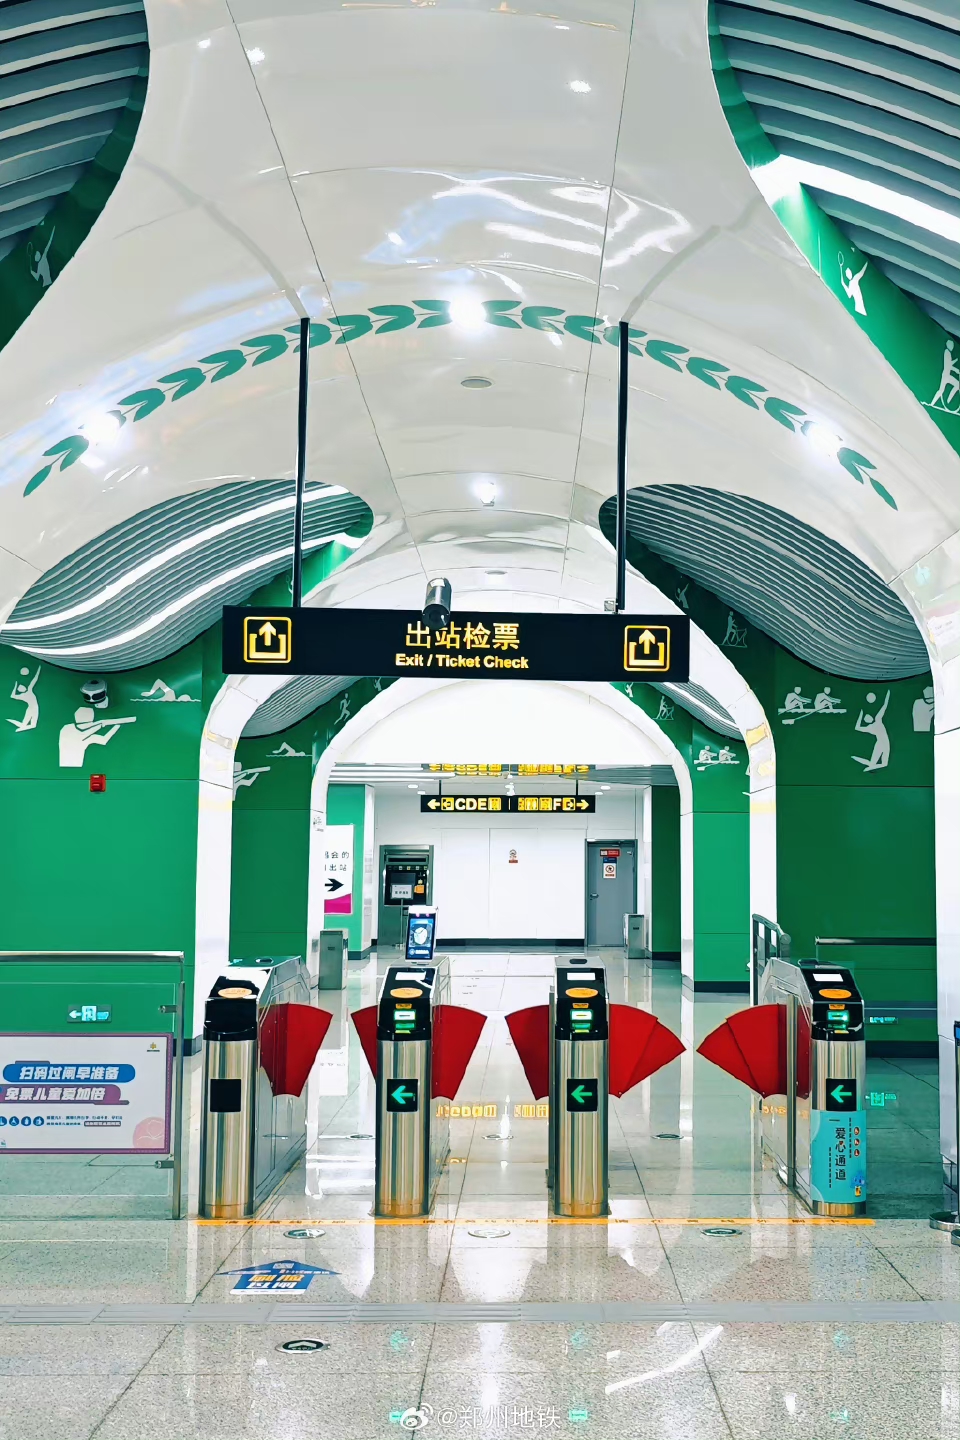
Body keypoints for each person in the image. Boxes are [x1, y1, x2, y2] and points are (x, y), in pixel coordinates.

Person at [58, 707, 134, 767]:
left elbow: (104, 740)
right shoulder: (68, 728)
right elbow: (82, 733)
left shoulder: (84, 736)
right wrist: (100, 725)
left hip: (75, 766)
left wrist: (117, 725)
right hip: (69, 765)